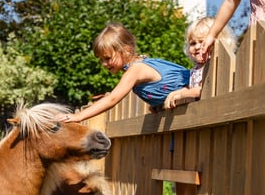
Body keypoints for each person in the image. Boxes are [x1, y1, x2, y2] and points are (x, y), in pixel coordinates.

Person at [151, 17, 237, 195]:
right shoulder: (195, 70)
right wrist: (163, 105)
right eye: (193, 43)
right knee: (185, 173)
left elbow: (204, 91)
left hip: (212, 129)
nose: (197, 47)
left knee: (196, 176)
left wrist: (182, 92)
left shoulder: (216, 65)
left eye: (202, 41)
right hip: (194, 130)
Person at [58, 23, 190, 123]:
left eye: (108, 58)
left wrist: (78, 116)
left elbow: (112, 99)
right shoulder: (139, 65)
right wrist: (158, 104)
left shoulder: (135, 69)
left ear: (126, 51)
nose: (104, 64)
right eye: (101, 60)